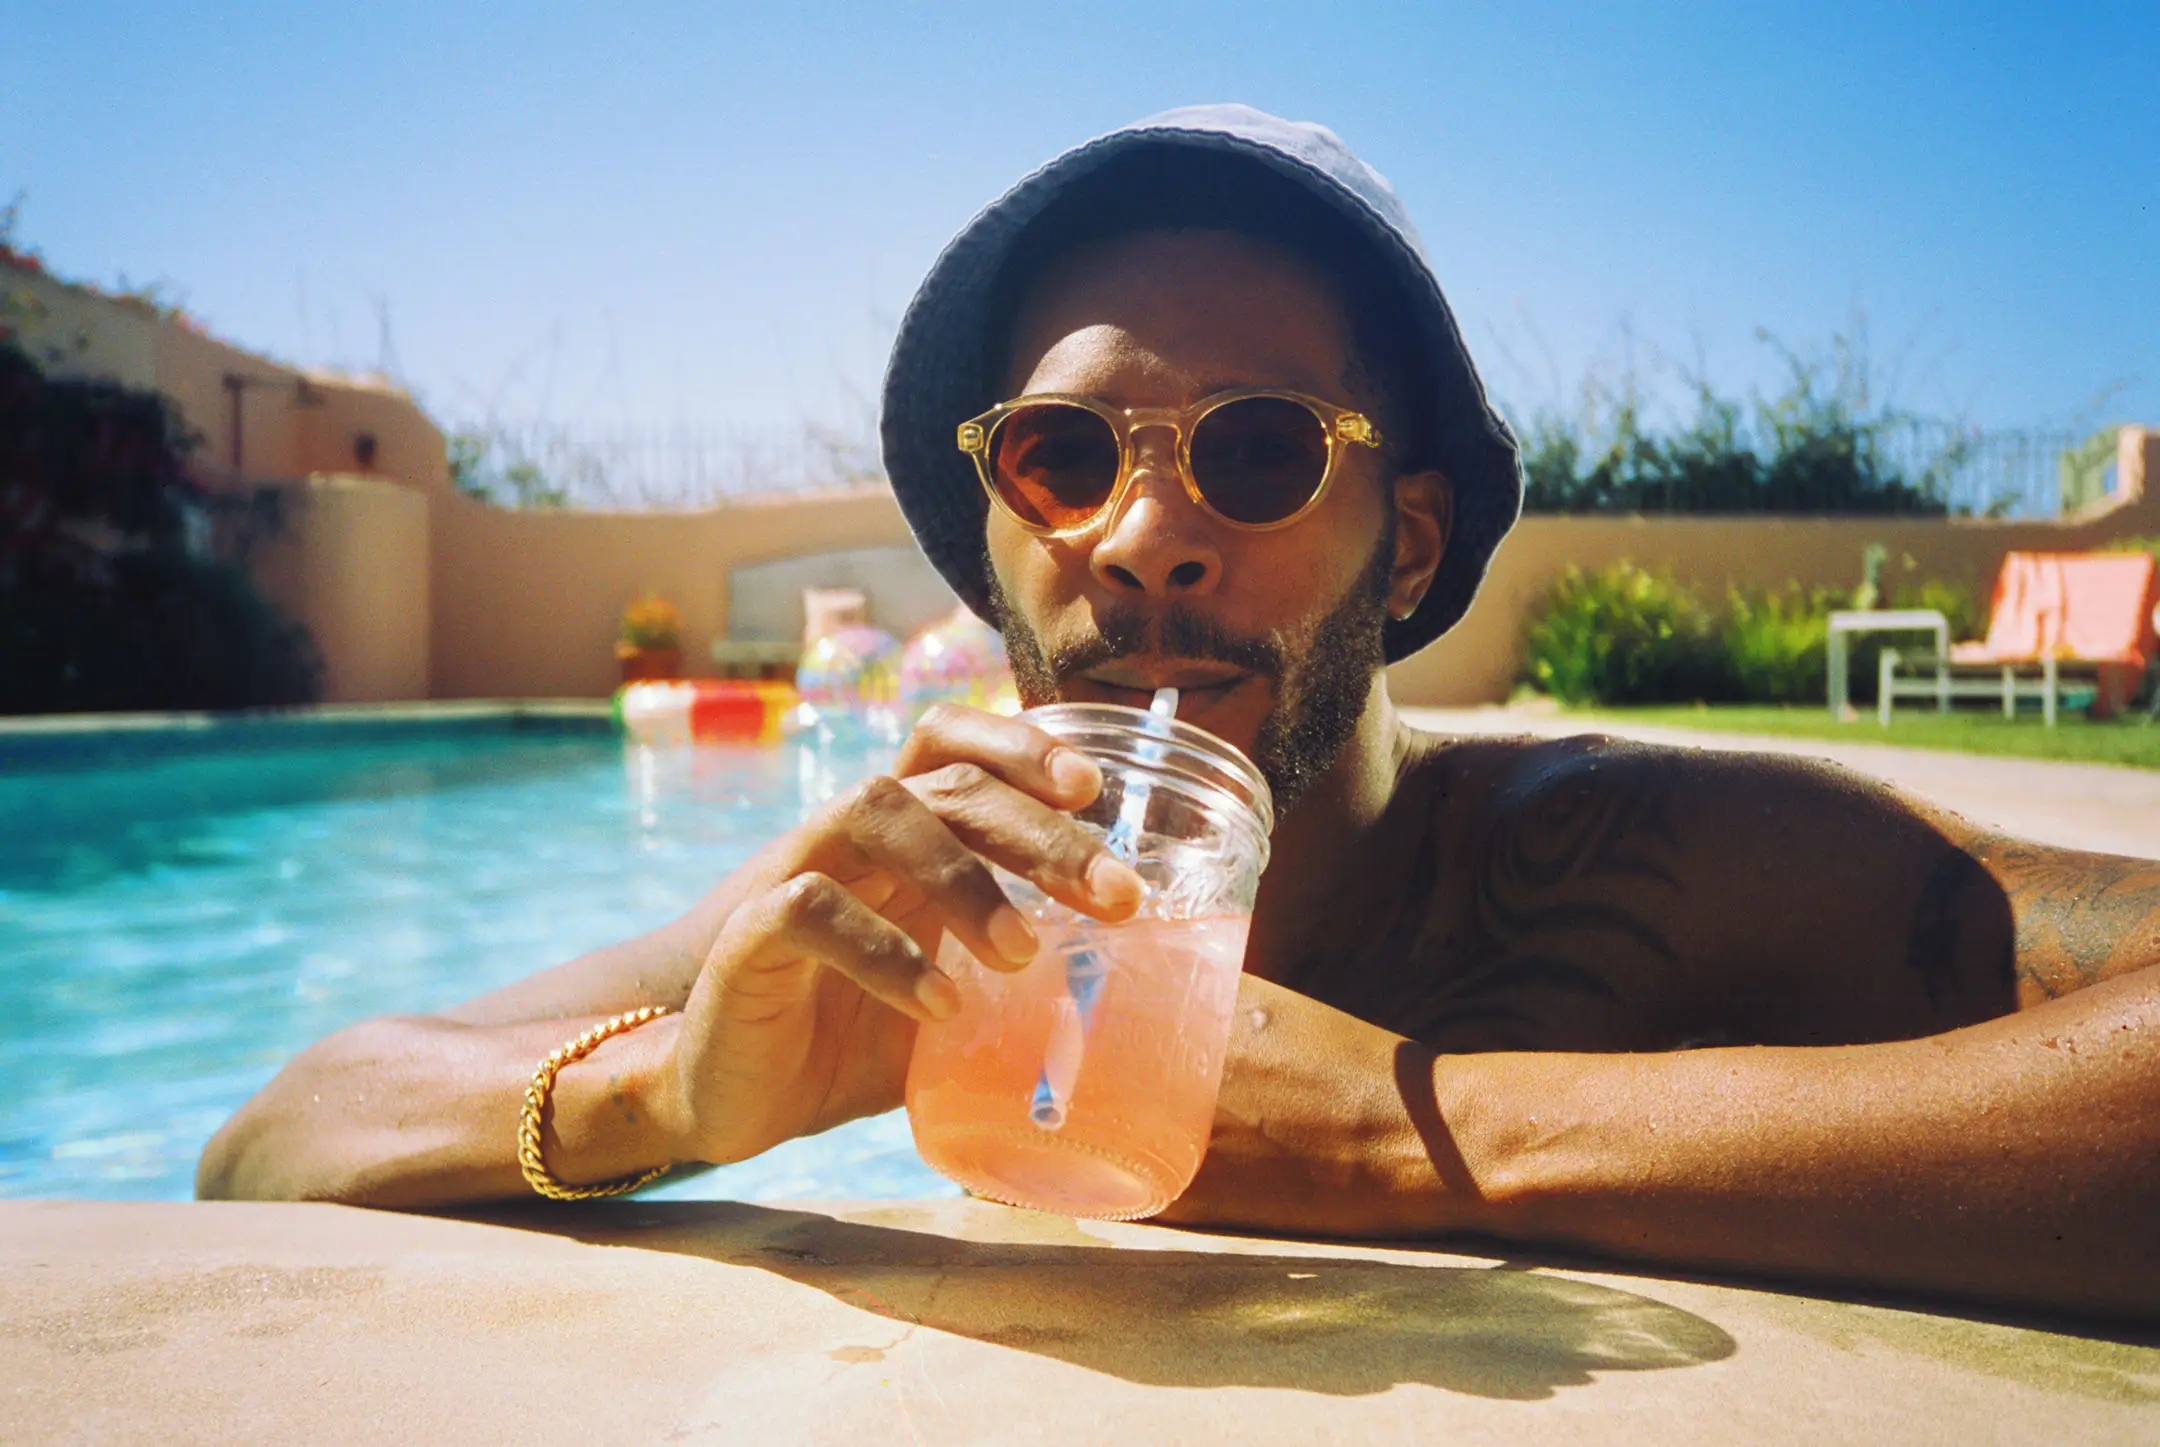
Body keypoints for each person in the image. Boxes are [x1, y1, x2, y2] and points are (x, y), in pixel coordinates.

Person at [199, 106, 2160, 1322]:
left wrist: (1411, 1131)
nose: (1144, 536)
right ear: (995, 530)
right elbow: (278, 1133)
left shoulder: (1637, 866)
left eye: (1260, 447)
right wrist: (667, 1101)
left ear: (1410, 539)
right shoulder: (926, 909)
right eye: (1062, 455)